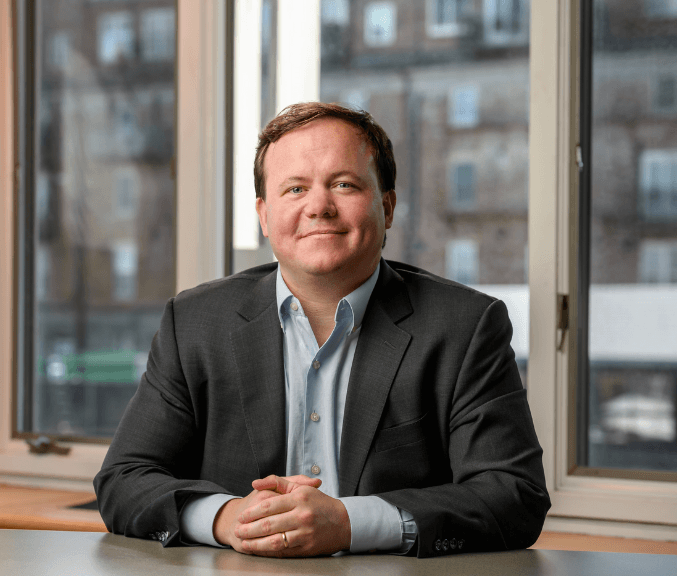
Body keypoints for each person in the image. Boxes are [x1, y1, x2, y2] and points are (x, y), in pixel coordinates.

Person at [94, 102, 550, 558]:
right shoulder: (194, 322)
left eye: (344, 184)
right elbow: (125, 478)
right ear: (264, 216)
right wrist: (228, 518)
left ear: (386, 207)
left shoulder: (464, 326)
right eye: (294, 189)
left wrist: (349, 523)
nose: (319, 207)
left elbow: (513, 495)